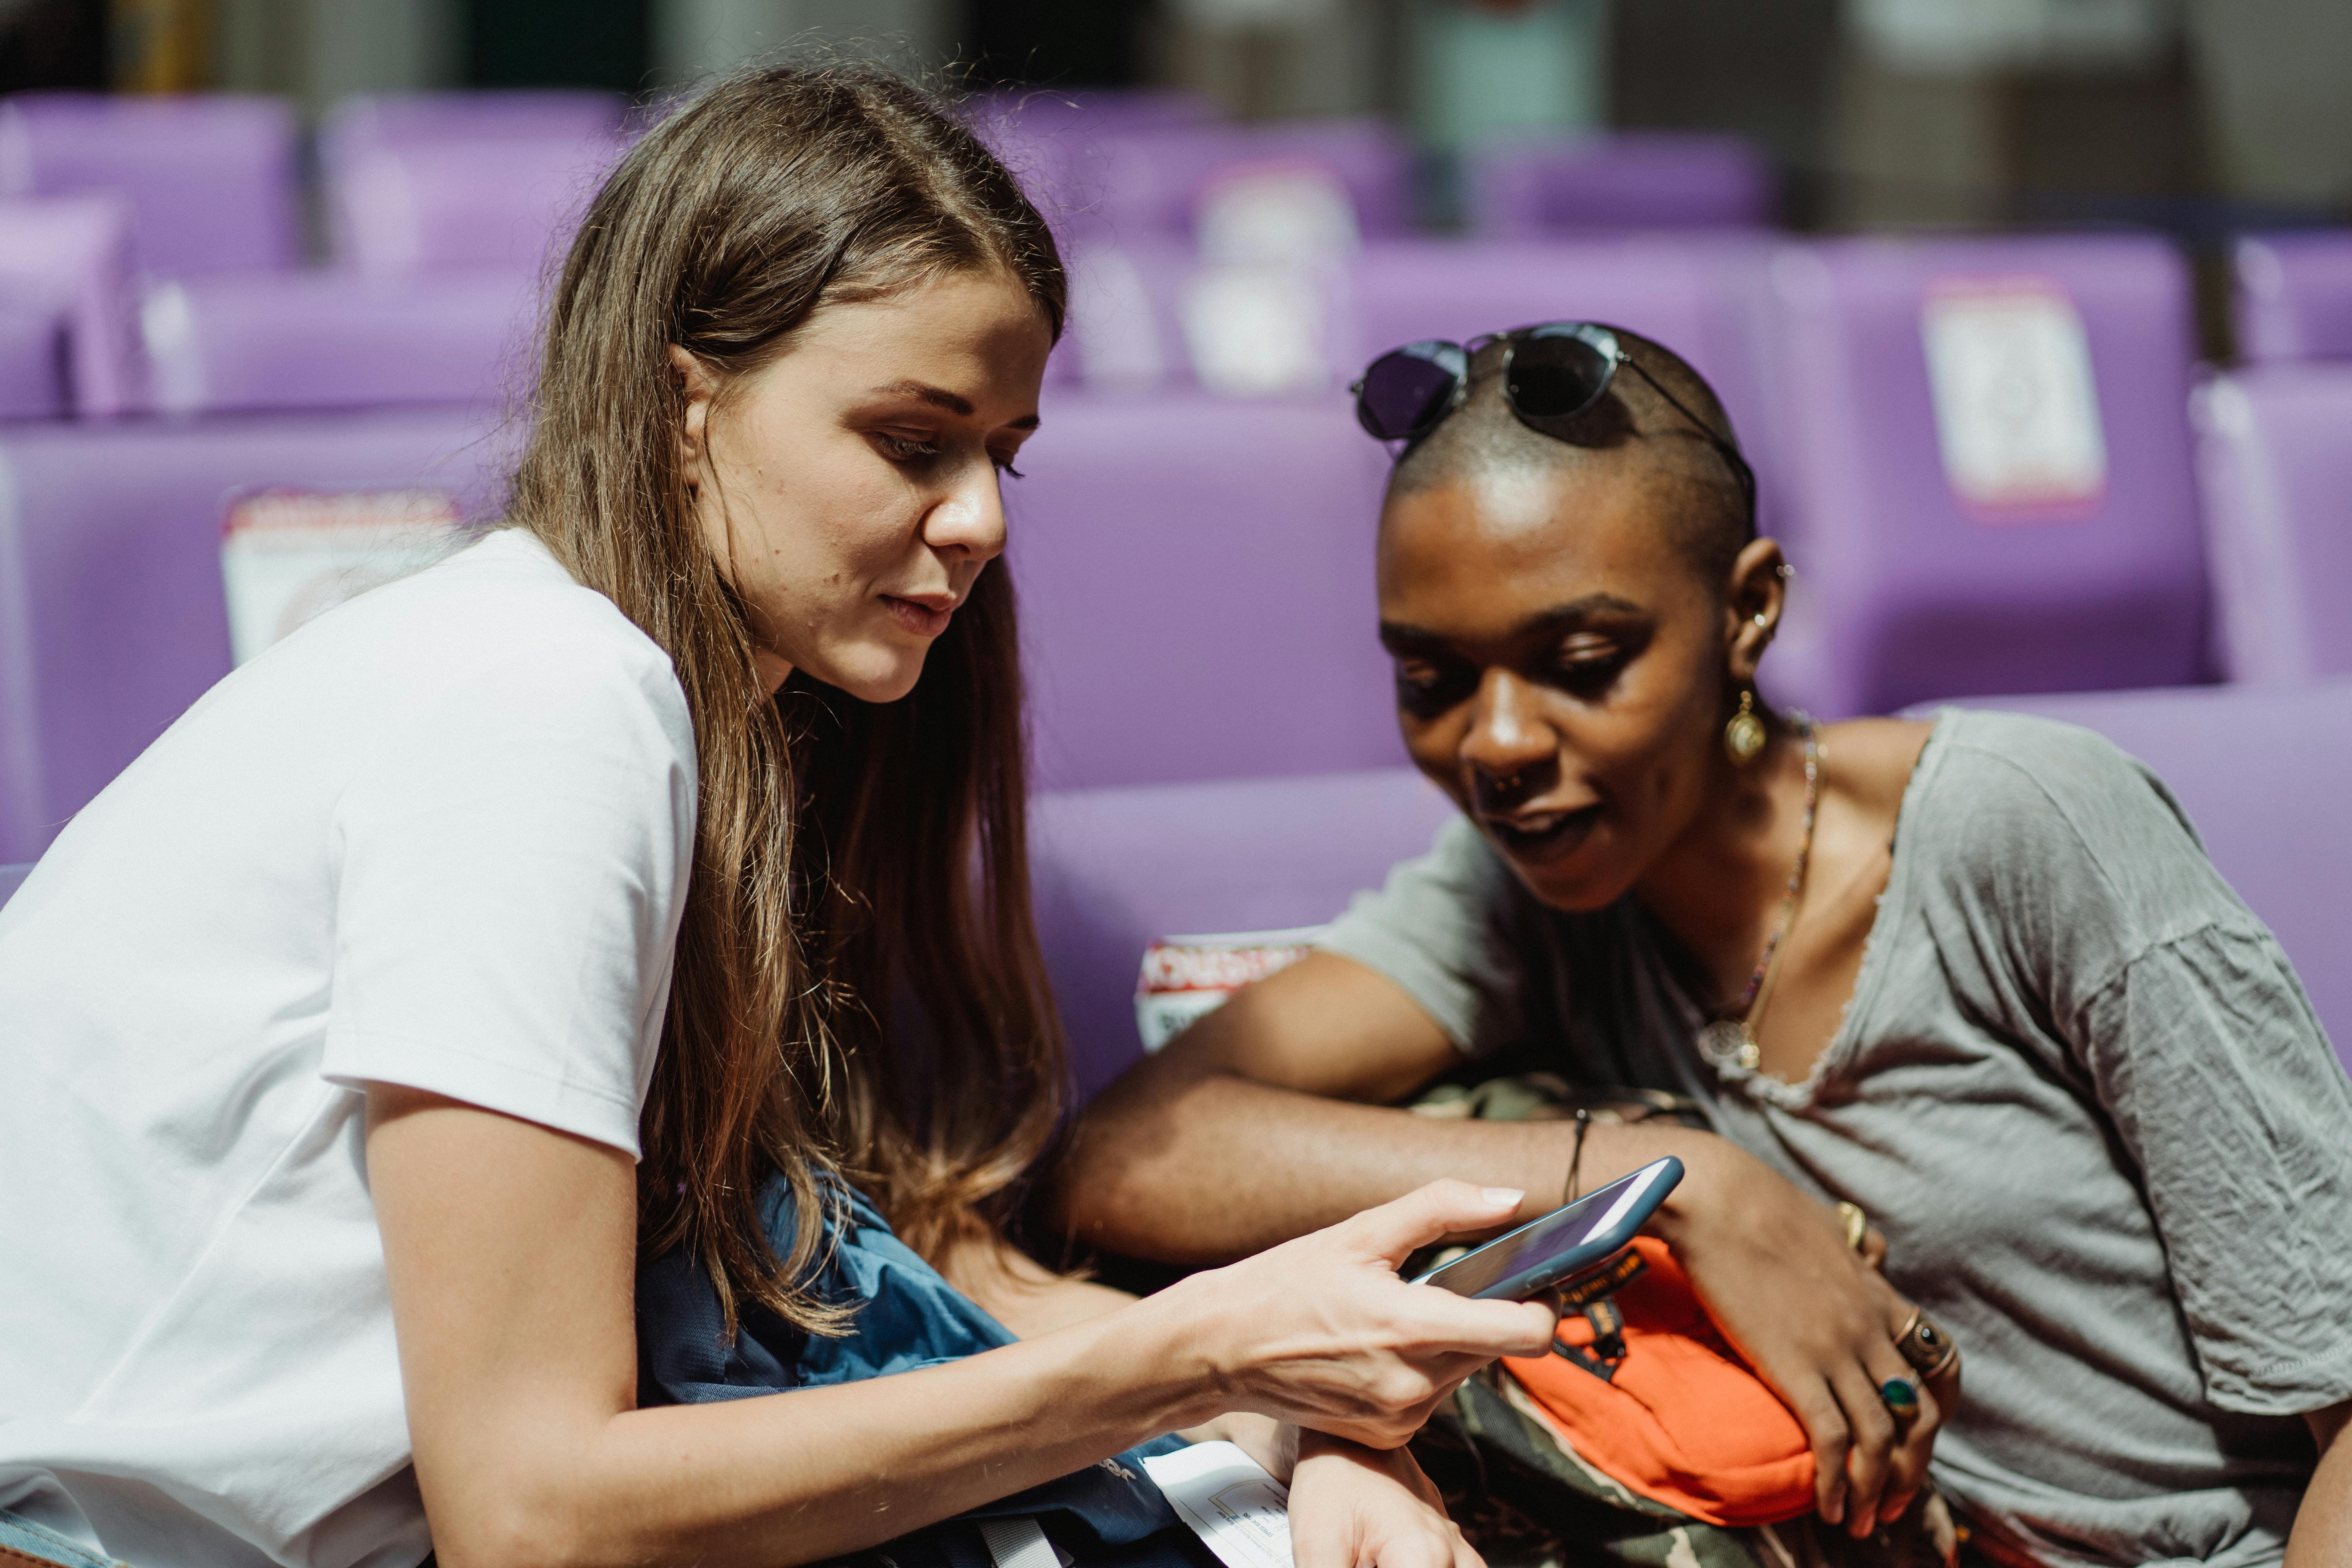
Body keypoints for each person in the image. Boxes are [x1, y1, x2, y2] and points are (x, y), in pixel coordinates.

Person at [0, 66, 1562, 1568]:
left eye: (1004, 454)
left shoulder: (700, 715)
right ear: (688, 404)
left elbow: (902, 1259)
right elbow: (534, 1519)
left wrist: (1313, 1413)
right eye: (911, 440)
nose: (986, 521)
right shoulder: (541, 701)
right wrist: (1192, 1355)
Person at [1051, 324, 2352, 1568]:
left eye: (1583, 658)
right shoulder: (1530, 891)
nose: (1496, 745)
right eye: (1433, 679)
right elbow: (1132, 1152)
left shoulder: (2028, 827)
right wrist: (1676, 1178)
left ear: (1749, 612)